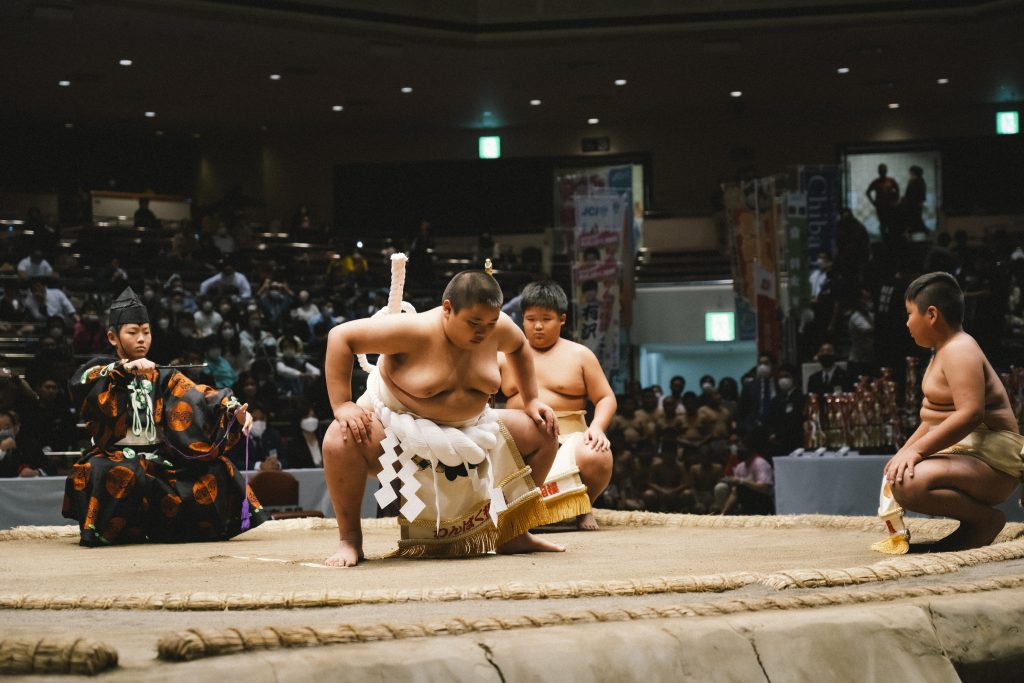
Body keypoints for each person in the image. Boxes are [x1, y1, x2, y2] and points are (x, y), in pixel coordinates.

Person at [321, 267, 560, 566]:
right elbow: (341, 337)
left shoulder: (497, 328)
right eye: (473, 322)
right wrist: (342, 403)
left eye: (490, 322)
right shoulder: (413, 330)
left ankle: (513, 533)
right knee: (339, 437)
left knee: (545, 430)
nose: (483, 331)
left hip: (474, 428)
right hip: (400, 431)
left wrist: (532, 399)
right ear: (448, 309)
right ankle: (350, 540)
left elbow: (520, 346)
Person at [62, 287, 266, 546]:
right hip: (112, 455)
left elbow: (201, 395)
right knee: (116, 472)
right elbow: (82, 383)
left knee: (217, 468)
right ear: (113, 337)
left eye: (146, 332)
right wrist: (124, 370)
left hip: (159, 456)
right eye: (132, 333)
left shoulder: (163, 376)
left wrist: (233, 410)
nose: (141, 339)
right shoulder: (100, 370)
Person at [885, 272, 1024, 551]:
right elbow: (932, 419)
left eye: (910, 314)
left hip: (994, 459)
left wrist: (917, 451)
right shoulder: (944, 350)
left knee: (908, 482)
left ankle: (985, 521)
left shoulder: (960, 349)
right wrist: (904, 453)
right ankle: (975, 525)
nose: (907, 322)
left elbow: (971, 414)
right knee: (898, 474)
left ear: (931, 314)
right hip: (972, 453)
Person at [498, 280, 616, 530]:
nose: (538, 326)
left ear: (562, 319)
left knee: (597, 453)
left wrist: (597, 428)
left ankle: (583, 506)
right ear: (522, 319)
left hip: (569, 438)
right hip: (517, 441)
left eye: (546, 319)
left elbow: (605, 397)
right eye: (531, 319)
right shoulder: (505, 356)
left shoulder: (580, 355)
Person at [0, 409, 45, 478]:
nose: (2, 431)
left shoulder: (30, 445)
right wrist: (1, 451)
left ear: (16, 427)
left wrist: (35, 472)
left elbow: (49, 468)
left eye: (7, 427)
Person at [865, 163, 900, 240]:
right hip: (881, 206)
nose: (883, 172)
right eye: (881, 170)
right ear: (879, 171)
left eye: (884, 170)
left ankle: (891, 239)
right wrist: (873, 202)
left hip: (890, 205)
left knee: (890, 223)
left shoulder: (891, 180)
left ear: (886, 171)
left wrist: (895, 201)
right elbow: (867, 192)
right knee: (883, 223)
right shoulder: (876, 182)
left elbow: (897, 190)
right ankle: (884, 240)